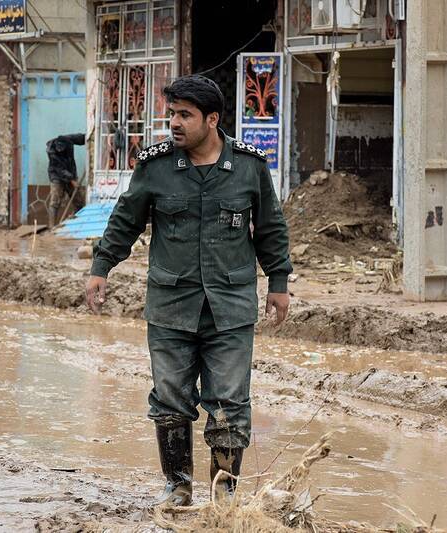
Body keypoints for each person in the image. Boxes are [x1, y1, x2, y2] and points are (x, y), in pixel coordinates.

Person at [85, 75, 292, 506]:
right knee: (170, 399)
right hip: (170, 306)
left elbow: (270, 227)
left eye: (185, 115)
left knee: (231, 402)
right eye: (172, 114)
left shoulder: (250, 166)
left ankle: (224, 494)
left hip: (230, 308)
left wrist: (278, 281)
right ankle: (177, 486)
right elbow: (126, 220)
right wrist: (102, 266)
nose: (174, 123)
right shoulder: (155, 166)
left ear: (211, 119)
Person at [46, 133, 86, 227]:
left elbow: (82, 138)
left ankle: (78, 223)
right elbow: (60, 169)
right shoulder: (52, 152)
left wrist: (90, 137)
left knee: (79, 200)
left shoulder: (68, 140)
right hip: (56, 176)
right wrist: (72, 180)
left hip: (70, 172)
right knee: (55, 201)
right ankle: (52, 226)